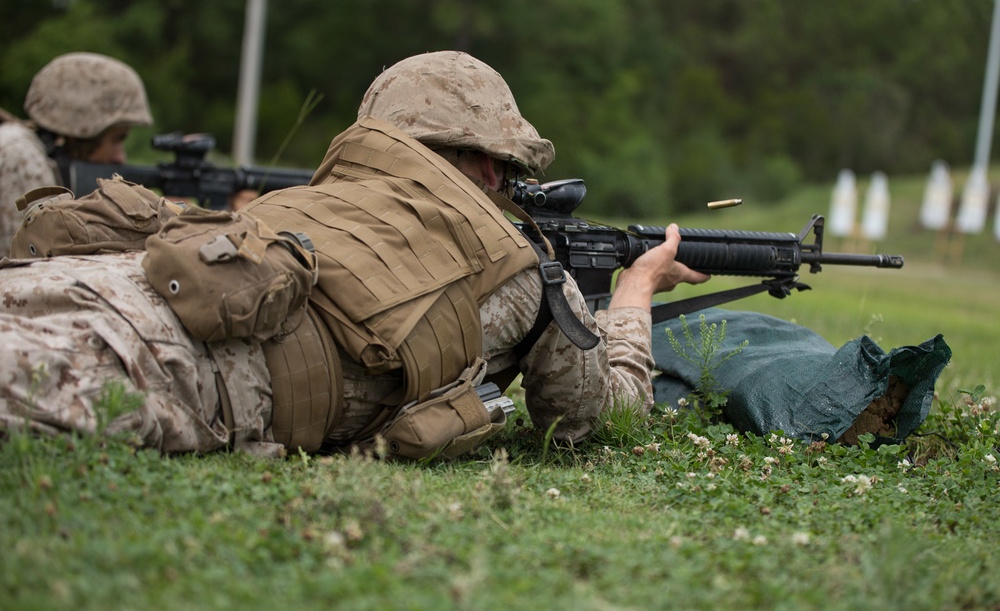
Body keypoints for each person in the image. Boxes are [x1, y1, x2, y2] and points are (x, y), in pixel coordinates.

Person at [0, 50, 708, 459]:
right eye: (500, 168)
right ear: (490, 165)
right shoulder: (521, 265)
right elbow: (591, 418)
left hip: (80, 282)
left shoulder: (309, 200)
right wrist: (635, 294)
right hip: (147, 363)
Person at [0, 52, 153, 256]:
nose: (120, 157)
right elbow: (35, 267)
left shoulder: (24, 148)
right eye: (117, 139)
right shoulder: (20, 157)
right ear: (83, 131)